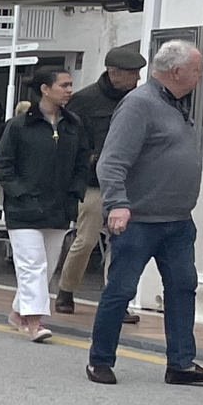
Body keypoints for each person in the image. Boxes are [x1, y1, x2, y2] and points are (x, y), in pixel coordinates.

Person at [87, 39, 203, 386]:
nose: (201, 75)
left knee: (183, 289)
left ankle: (181, 363)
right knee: (121, 289)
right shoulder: (139, 104)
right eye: (197, 69)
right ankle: (100, 360)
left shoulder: (177, 104)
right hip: (139, 219)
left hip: (176, 221)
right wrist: (117, 203)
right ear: (176, 72)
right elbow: (112, 160)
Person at [0, 67, 91, 343]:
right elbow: (4, 166)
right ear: (45, 89)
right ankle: (35, 321)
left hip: (59, 207)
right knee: (32, 264)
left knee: (46, 266)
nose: (69, 90)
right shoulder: (19, 125)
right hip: (23, 209)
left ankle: (17, 312)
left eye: (71, 85)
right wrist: (21, 194)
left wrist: (76, 191)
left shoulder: (73, 124)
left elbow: (84, 160)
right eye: (64, 85)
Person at [55, 42, 146, 320]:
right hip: (93, 181)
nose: (138, 78)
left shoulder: (137, 99)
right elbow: (70, 138)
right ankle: (66, 290)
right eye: (132, 73)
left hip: (128, 181)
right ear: (113, 72)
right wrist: (88, 158)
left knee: (123, 243)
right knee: (87, 239)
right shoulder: (84, 100)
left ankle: (116, 300)